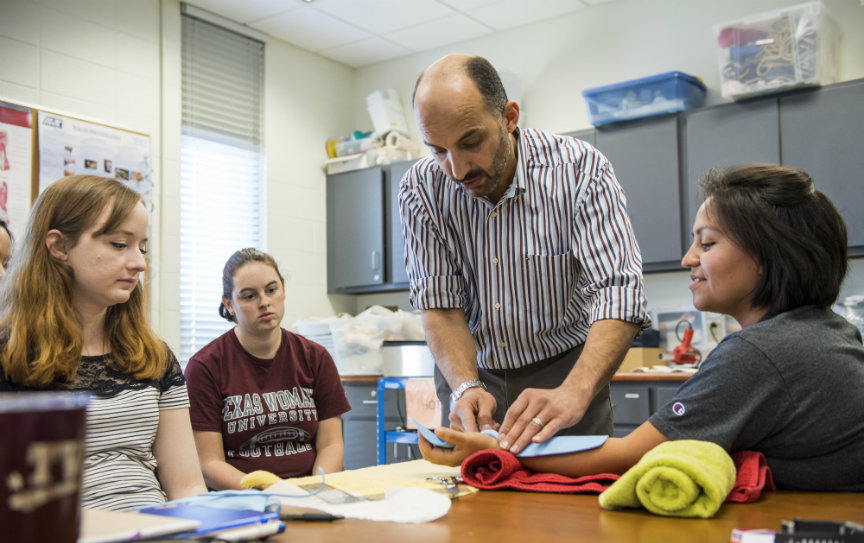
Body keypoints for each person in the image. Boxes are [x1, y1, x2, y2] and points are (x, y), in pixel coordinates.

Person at [420, 164, 864, 492]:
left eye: (706, 243)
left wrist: (492, 450)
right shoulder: (831, 331)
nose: (689, 258)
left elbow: (630, 456)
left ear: (770, 256)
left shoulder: (760, 354)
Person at [401, 54, 649, 454]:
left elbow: (618, 291)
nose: (458, 169)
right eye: (438, 150)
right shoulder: (421, 189)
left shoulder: (579, 169)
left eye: (470, 142)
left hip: (566, 367)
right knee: (473, 503)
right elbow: (441, 306)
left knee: (574, 506)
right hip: (472, 369)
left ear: (510, 117)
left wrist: (575, 391)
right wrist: (465, 385)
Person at [0, 175, 207, 510]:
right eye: (119, 244)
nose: (139, 263)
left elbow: (188, 486)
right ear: (59, 246)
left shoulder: (153, 356)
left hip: (158, 536)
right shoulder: (10, 356)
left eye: (142, 247)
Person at [185, 248, 351, 490]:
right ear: (229, 304)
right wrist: (271, 494)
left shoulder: (316, 358)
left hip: (310, 493)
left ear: (283, 291)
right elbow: (209, 464)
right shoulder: (205, 367)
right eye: (249, 296)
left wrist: (316, 490)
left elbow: (331, 445)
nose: (264, 302)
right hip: (243, 499)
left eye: (271, 290)